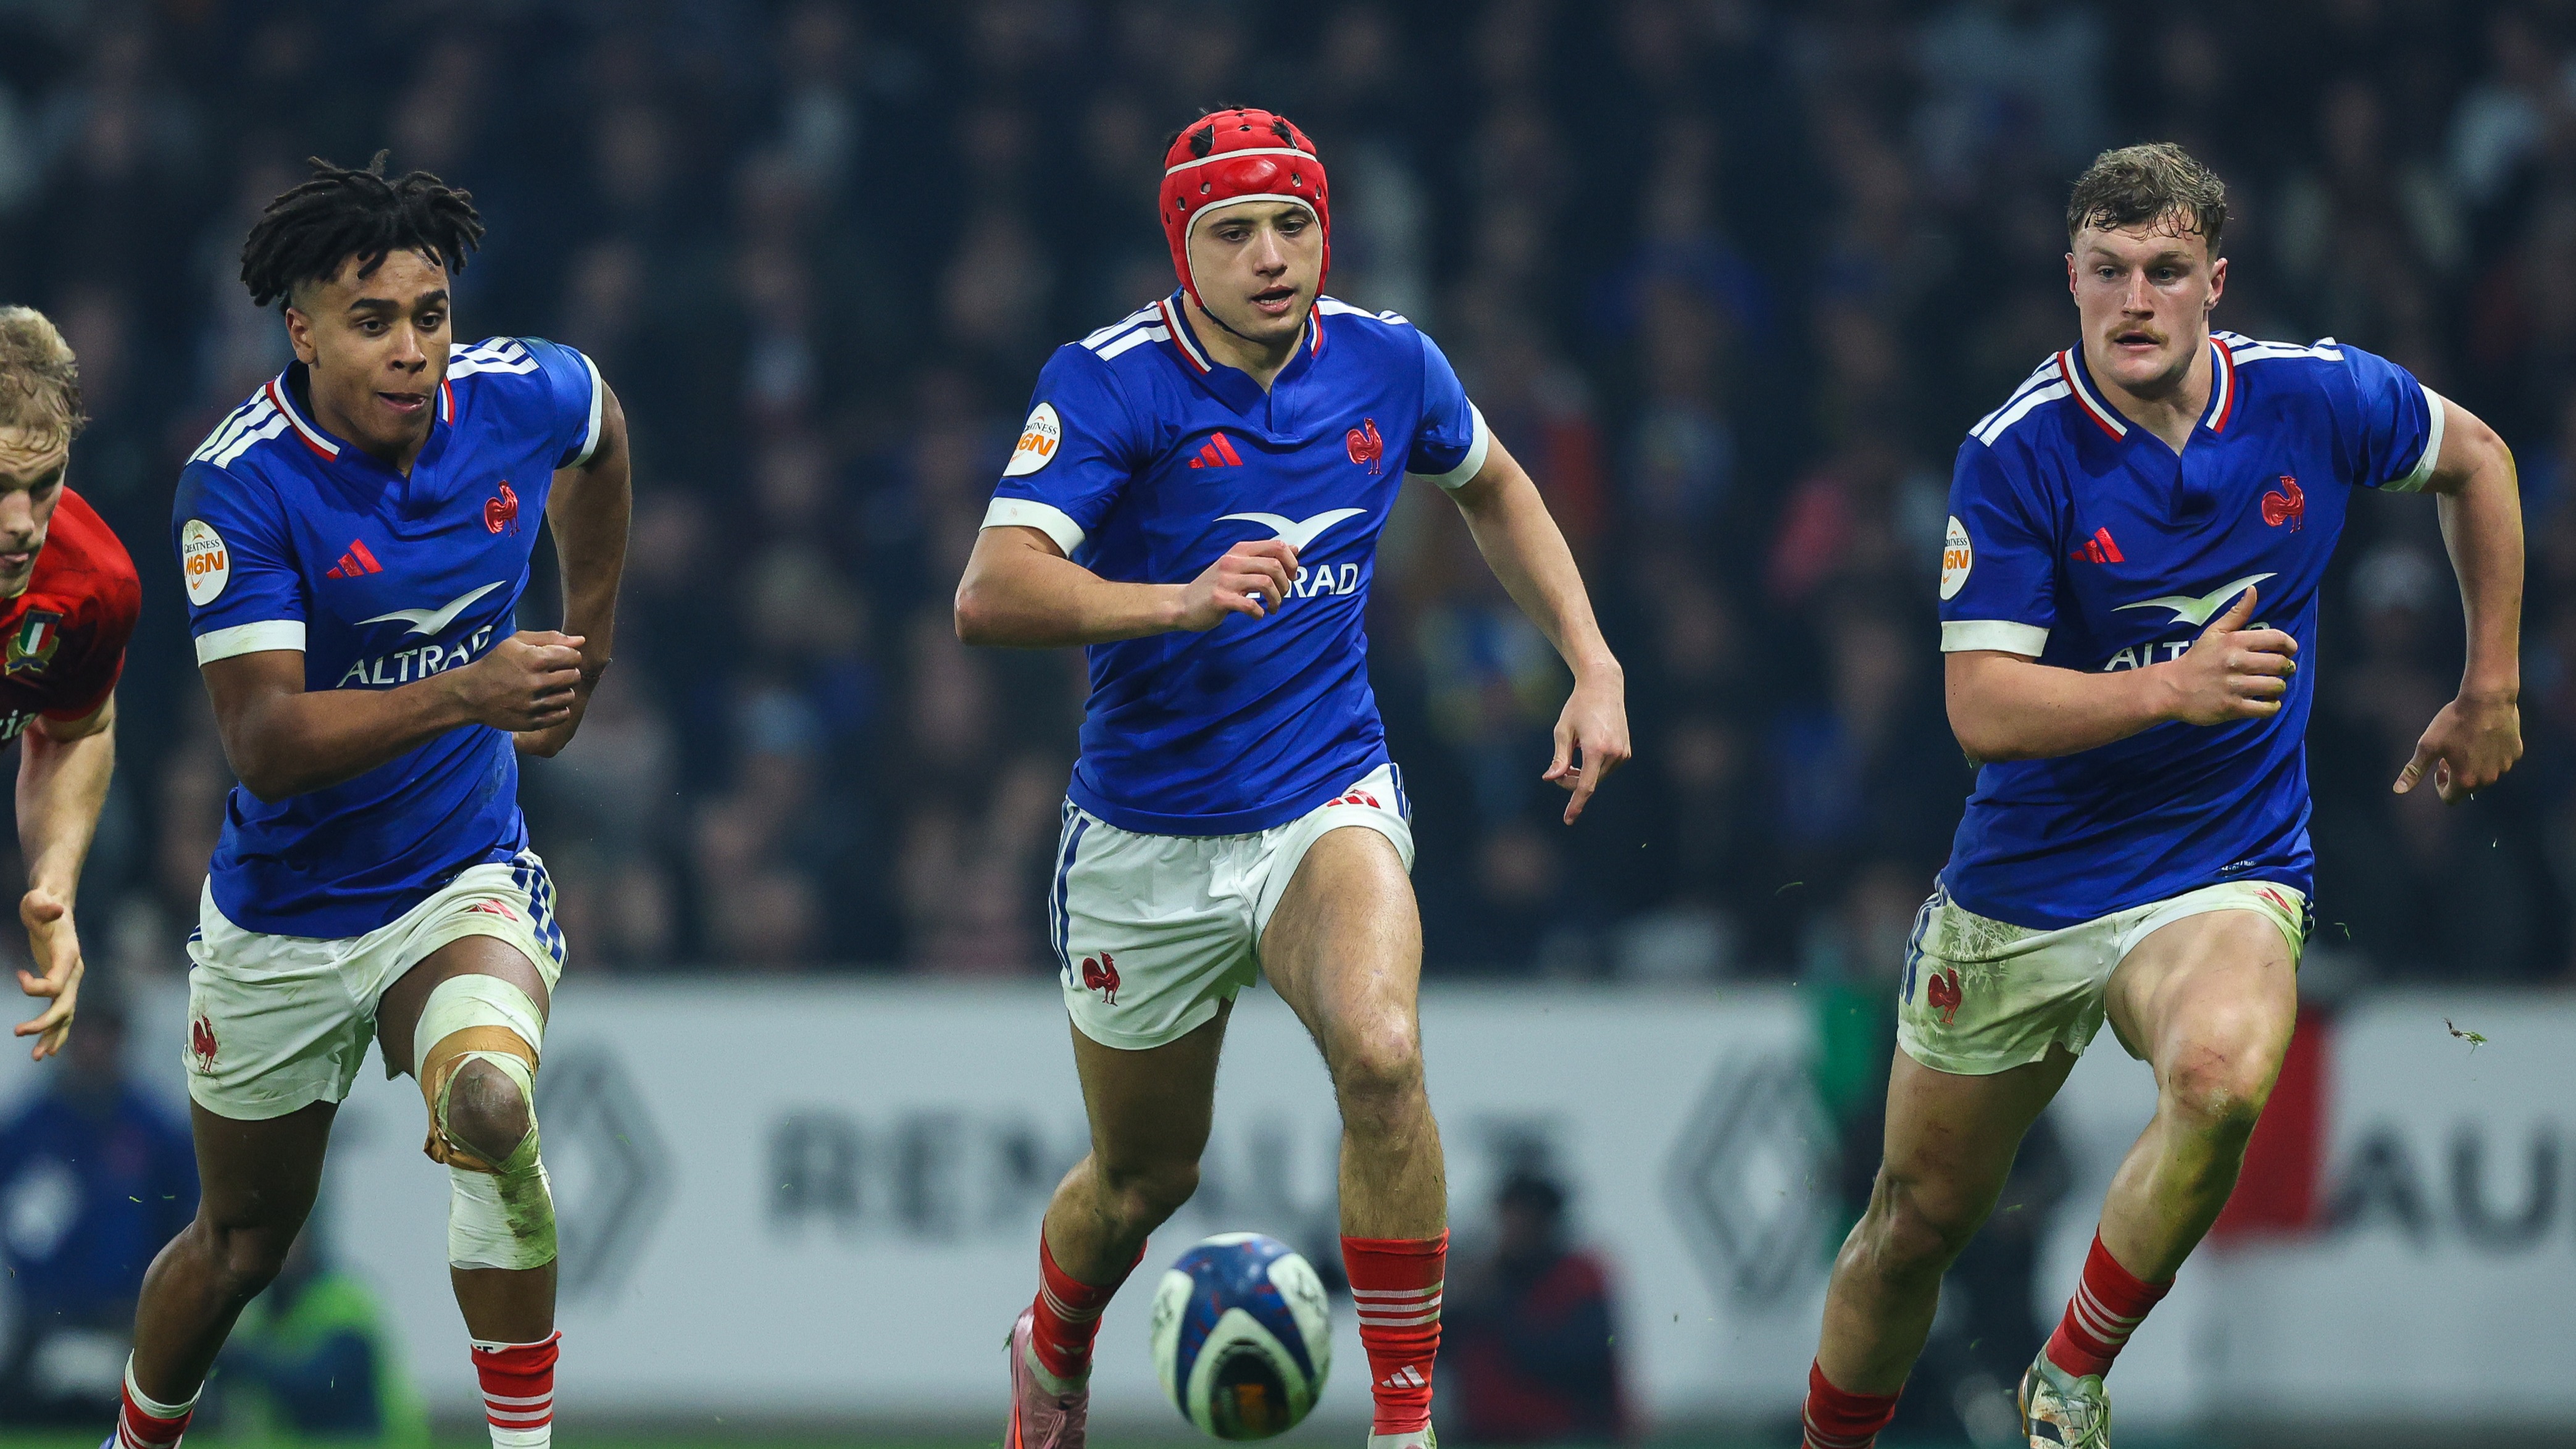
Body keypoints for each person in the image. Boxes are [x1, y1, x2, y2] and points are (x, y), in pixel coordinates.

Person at [1798, 142, 2524, 1449]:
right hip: (2021, 893)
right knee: (1910, 1229)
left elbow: (2478, 459)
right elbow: (1981, 708)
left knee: (2223, 1075)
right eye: (2108, 272)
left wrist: (2488, 687)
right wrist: (2167, 690)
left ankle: (2069, 1373)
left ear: (2212, 283)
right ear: (2068, 281)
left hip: (2218, 867)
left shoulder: (2313, 399)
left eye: (2165, 272)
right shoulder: (2015, 454)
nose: (2135, 300)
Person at [955, 107, 1630, 1449]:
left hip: (1324, 798)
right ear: (1181, 251)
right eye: (1233, 232)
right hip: (1145, 839)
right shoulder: (1107, 383)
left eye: (1293, 224)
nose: (1270, 255)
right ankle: (1055, 1344)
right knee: (1142, 1179)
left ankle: (1399, 1425)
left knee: (1381, 1055)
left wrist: (1590, 660)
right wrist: (1174, 600)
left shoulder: (1391, 365)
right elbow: (990, 594)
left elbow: (1493, 488)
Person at [117, 154, 631, 1449]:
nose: (413, 351)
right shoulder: (238, 484)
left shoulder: (522, 395)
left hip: (458, 873)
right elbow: (267, 744)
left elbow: (603, 437)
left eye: (431, 315)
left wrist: (591, 646)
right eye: (374, 322)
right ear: (300, 329)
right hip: (284, 913)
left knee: (493, 1108)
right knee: (239, 1245)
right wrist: (475, 687)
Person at [0, 305, 140, 1068]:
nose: (23, 523)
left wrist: (53, 885)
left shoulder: (93, 584)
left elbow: (73, 733)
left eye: (43, 483)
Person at [0, 991, 196, 1426]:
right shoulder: (27, 1131)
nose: (93, 1046)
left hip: (128, 1324)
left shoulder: (155, 1131)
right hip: (44, 1322)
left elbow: (187, 1223)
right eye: (83, 1033)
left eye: (104, 1034)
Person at [210, 1201, 431, 1448]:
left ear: (309, 1237)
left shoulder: (343, 1300)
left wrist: (241, 1359)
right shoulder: (260, 1310)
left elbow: (325, 1387)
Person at [1438, 1171, 1629, 1445]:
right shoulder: (1489, 1276)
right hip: (1483, 1436)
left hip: (1569, 1435)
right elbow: (1439, 1353)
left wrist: (1494, 1306)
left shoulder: (1581, 1278)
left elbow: (1574, 1358)